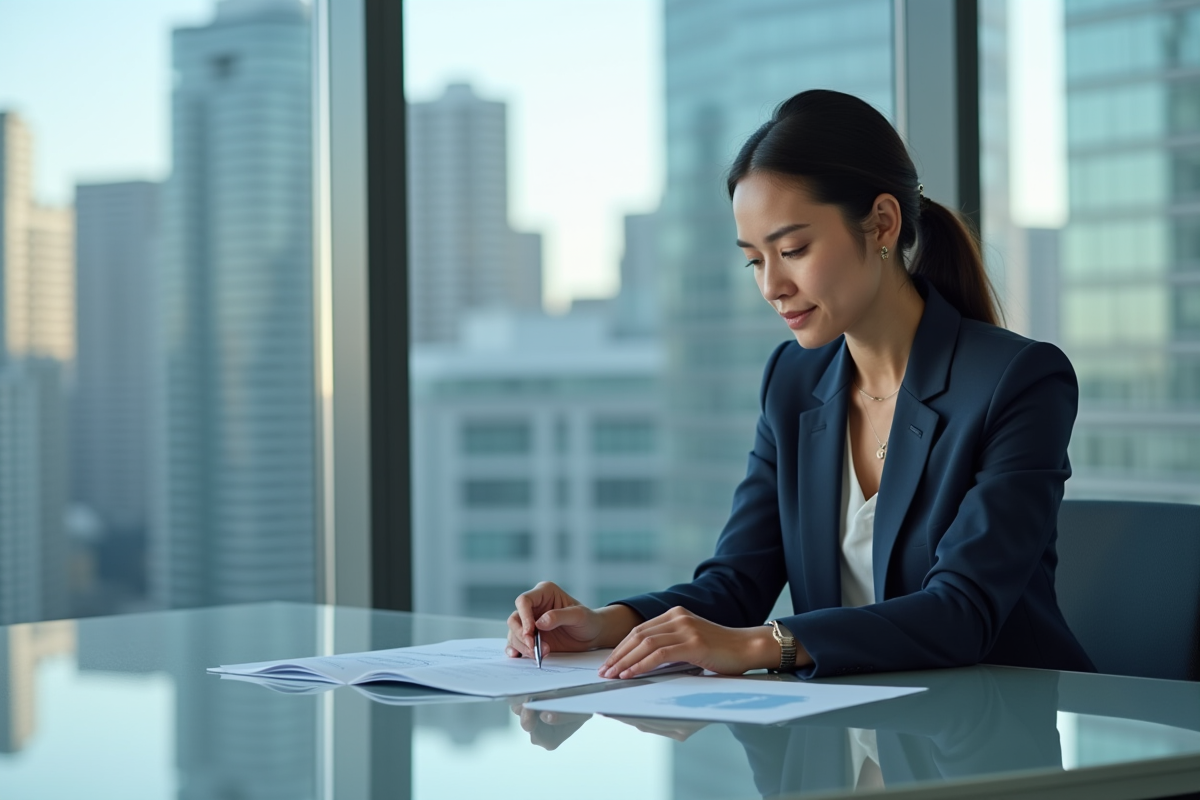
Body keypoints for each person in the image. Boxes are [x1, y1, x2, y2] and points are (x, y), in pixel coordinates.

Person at [505, 88, 1095, 680]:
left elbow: (962, 612)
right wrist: (604, 623)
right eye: (755, 260)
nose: (772, 286)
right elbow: (736, 582)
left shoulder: (1016, 381)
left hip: (992, 734)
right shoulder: (792, 381)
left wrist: (764, 646)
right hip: (848, 731)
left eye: (793, 249)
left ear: (882, 223)